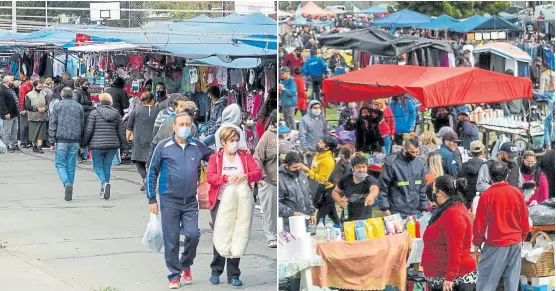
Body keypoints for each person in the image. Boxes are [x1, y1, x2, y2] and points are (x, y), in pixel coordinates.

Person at [147, 112, 213, 289]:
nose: (185, 127)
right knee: (172, 238)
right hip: (169, 200)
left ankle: (186, 264)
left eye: (188, 124)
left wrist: (238, 152)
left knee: (193, 235)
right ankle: (174, 275)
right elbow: (152, 171)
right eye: (181, 124)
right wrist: (151, 198)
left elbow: (215, 157)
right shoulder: (163, 146)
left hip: (191, 200)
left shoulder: (196, 146)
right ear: (174, 127)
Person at [205, 127, 262, 286]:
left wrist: (246, 176)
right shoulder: (215, 158)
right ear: (223, 142)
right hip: (221, 200)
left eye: (237, 140)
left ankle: (234, 274)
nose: (234, 144)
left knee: (239, 233)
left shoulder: (244, 157)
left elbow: (257, 172)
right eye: (231, 141)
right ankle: (216, 270)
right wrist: (225, 178)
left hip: (241, 200)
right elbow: (210, 177)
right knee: (222, 233)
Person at [473, 161, 530, 291]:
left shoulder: (486, 195)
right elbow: (524, 220)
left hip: (496, 243)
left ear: (490, 177)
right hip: (515, 241)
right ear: (506, 176)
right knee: (512, 283)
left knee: (486, 283)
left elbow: (479, 224)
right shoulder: (516, 192)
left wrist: (477, 242)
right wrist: (522, 237)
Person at [422, 175, 477, 291]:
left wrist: (450, 277)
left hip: (453, 280)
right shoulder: (448, 209)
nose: (432, 193)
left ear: (440, 193)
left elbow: (456, 248)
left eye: (433, 190)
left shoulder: (454, 214)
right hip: (444, 276)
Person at [82, 93, 127, 200]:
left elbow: (89, 130)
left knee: (97, 166)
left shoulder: (94, 113)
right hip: (112, 145)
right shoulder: (116, 114)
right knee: (107, 167)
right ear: (110, 101)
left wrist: (83, 144)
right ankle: (103, 189)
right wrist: (124, 147)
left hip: (97, 145)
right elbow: (121, 132)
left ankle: (104, 183)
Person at [48, 87, 84, 201]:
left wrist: (51, 141)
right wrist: (81, 140)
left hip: (61, 139)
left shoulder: (58, 106)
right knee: (71, 165)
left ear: (62, 96)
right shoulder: (79, 106)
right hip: (75, 139)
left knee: (60, 164)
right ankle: (70, 185)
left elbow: (53, 123)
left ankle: (67, 183)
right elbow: (82, 124)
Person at [378, 139, 427, 218]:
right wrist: (386, 210)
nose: (414, 155)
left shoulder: (419, 164)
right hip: (397, 212)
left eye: (417, 152)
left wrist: (424, 208)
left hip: (416, 212)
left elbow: (422, 188)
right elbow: (383, 188)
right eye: (412, 152)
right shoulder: (392, 163)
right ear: (404, 149)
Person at [253, 110, 278, 248]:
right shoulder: (267, 137)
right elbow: (257, 157)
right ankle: (271, 236)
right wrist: (260, 177)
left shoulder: (285, 135)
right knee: (269, 210)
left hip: (284, 180)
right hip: (269, 180)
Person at [332, 155, 379, 221]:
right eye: (358, 167)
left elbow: (374, 188)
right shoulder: (346, 178)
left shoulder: (370, 180)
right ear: (352, 168)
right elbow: (335, 191)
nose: (361, 170)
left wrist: (371, 195)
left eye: (364, 167)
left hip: (364, 220)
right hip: (346, 218)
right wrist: (339, 200)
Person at [299, 136, 336, 222]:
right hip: (315, 185)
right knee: (332, 213)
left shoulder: (328, 161)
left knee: (320, 214)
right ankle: (338, 226)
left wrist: (308, 171)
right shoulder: (318, 154)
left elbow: (323, 179)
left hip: (326, 190)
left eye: (321, 143)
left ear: (327, 147)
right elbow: (314, 169)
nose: (318, 144)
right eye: (318, 142)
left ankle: (317, 230)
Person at [126, 92, 157, 191]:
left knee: (139, 161)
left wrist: (127, 139)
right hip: (154, 138)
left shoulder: (136, 110)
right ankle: (149, 179)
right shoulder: (158, 111)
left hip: (139, 139)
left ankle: (145, 178)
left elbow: (129, 127)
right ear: (152, 100)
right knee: (153, 161)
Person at [278, 151, 316, 230]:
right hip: (288, 222)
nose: (298, 169)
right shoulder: (280, 178)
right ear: (286, 166)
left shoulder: (302, 174)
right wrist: (292, 213)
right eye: (295, 167)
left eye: (299, 166)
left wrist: (312, 212)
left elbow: (308, 195)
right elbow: (277, 203)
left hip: (305, 219)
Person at [298, 100, 328, 166]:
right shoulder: (304, 119)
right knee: (312, 169)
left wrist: (327, 144)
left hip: (323, 149)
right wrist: (306, 149)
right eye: (315, 108)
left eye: (318, 108)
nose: (317, 110)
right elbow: (302, 136)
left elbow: (326, 131)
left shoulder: (322, 118)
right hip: (311, 151)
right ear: (310, 108)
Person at [457, 140, 486, 208]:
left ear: (470, 152)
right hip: (482, 202)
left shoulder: (463, 166)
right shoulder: (486, 167)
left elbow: (458, 185)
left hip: (466, 202)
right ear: (482, 152)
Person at [24, 80, 49, 153]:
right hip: (33, 117)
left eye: (41, 87)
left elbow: (48, 104)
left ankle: (39, 147)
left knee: (41, 133)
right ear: (34, 87)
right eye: (39, 87)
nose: (40, 88)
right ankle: (34, 146)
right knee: (33, 133)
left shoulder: (44, 94)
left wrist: (45, 108)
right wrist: (37, 109)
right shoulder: (29, 95)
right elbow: (27, 106)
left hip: (42, 116)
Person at [73, 78, 93, 161]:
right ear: (80, 84)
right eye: (85, 84)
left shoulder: (87, 93)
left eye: (87, 84)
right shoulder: (76, 92)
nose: (87, 86)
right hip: (79, 117)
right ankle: (77, 154)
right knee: (79, 135)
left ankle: (82, 153)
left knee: (86, 135)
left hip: (87, 116)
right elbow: (76, 105)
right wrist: (90, 108)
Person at [0, 75, 20, 152]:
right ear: (7, 82)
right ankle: (6, 146)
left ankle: (14, 145)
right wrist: (6, 113)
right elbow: (2, 103)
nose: (13, 82)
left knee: (15, 130)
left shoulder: (11, 89)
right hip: (8, 114)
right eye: (12, 80)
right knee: (7, 131)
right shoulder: (2, 90)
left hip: (14, 113)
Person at [18, 75, 35, 149]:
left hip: (28, 108)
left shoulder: (29, 86)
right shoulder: (25, 86)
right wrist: (22, 109)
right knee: (24, 126)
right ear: (32, 80)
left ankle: (26, 141)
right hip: (25, 109)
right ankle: (23, 142)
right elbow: (21, 97)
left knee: (27, 125)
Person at [279, 66, 297, 131]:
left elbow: (292, 92)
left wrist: (283, 89)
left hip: (290, 103)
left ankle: (294, 133)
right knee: (286, 120)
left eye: (283, 73)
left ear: (288, 73)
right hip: (284, 103)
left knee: (291, 120)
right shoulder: (282, 81)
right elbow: (281, 93)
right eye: (281, 74)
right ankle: (288, 133)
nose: (281, 75)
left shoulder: (292, 80)